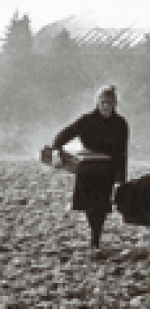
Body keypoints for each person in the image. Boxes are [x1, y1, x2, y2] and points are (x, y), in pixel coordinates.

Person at [51, 85, 129, 249]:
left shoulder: (121, 124)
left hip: (107, 170)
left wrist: (121, 178)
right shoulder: (86, 120)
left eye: (109, 103)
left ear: (115, 103)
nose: (106, 106)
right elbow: (62, 136)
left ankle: (95, 238)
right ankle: (95, 236)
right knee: (89, 206)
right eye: (103, 103)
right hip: (87, 169)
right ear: (97, 103)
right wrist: (57, 151)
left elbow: (122, 153)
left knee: (101, 207)